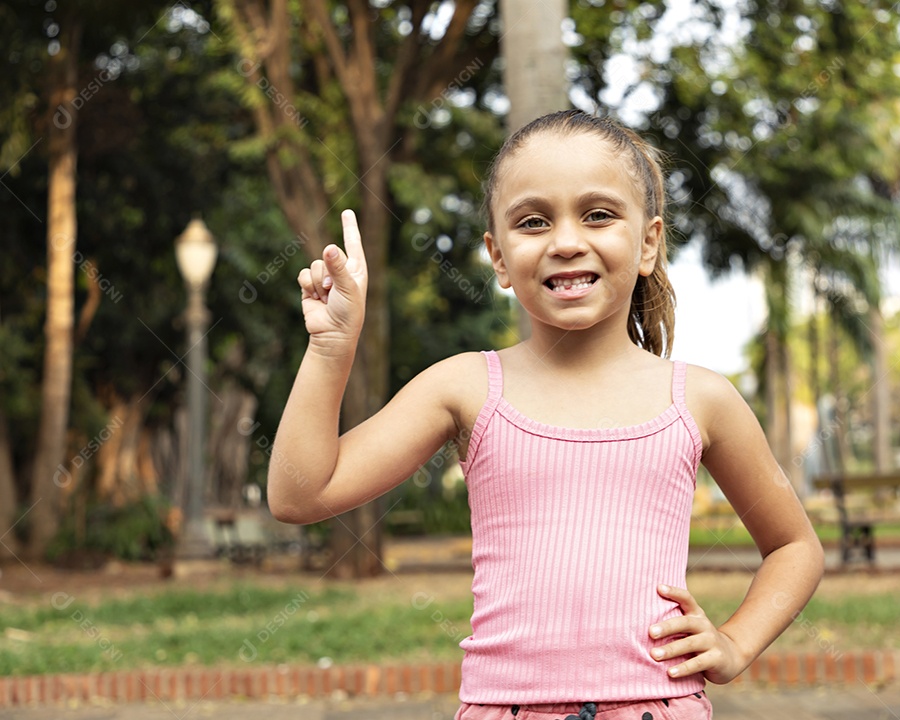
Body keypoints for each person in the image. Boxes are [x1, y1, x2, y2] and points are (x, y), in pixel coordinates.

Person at [269, 110, 824, 720]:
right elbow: (302, 494)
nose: (565, 241)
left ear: (648, 242)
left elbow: (795, 545)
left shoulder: (700, 399)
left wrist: (736, 641)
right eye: (533, 222)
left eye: (599, 214)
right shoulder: (466, 386)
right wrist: (331, 348)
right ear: (499, 257)